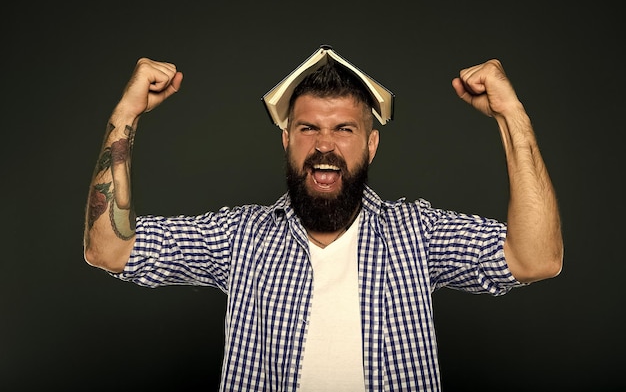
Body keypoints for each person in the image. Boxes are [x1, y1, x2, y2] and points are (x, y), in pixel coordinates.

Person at [83, 48, 563, 392]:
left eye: (344, 129)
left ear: (370, 145)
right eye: (308, 128)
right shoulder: (239, 237)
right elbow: (108, 248)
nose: (324, 145)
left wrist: (510, 114)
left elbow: (537, 258)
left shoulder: (417, 233)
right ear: (287, 142)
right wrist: (128, 112)